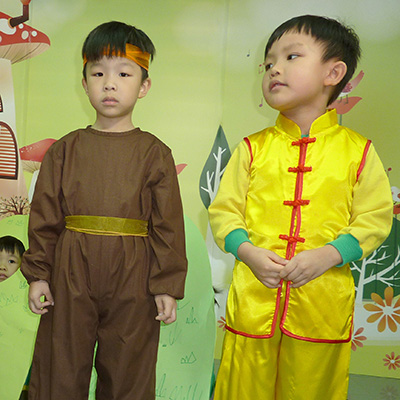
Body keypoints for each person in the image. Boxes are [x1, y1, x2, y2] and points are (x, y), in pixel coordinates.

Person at [209, 15, 393, 400]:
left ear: (333, 73)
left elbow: (374, 219)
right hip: (253, 302)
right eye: (268, 63)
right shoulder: (252, 148)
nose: (274, 68)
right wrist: (249, 253)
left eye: (291, 56)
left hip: (322, 306)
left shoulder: (359, 151)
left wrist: (329, 255)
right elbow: (224, 213)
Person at [21, 21, 187, 400]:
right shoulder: (64, 151)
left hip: (134, 277)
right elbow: (45, 218)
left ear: (144, 85)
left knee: (129, 370)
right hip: (69, 272)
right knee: (60, 365)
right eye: (98, 73)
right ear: (84, 83)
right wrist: (39, 275)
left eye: (123, 74)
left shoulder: (155, 153)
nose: (109, 84)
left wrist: (166, 285)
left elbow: (167, 226)